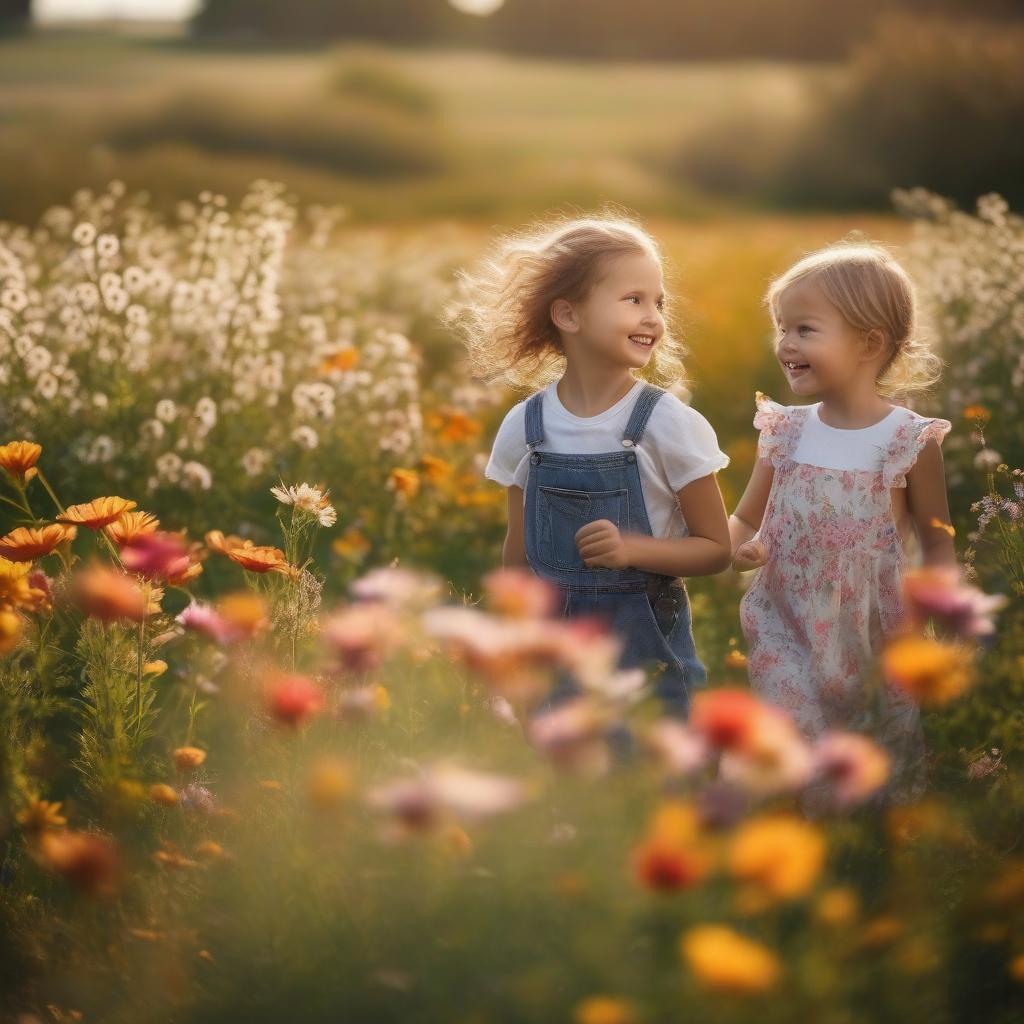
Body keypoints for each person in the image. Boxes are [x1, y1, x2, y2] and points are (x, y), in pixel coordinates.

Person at [449, 214, 732, 716]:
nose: (654, 318)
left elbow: (715, 550)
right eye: (634, 300)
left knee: (649, 780)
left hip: (646, 660)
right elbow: (518, 559)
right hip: (553, 658)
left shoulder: (668, 423)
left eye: (658, 302)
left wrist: (633, 549)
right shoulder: (525, 427)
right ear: (568, 315)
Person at [729, 240, 954, 799]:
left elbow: (937, 537)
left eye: (804, 329)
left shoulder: (908, 439)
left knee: (874, 746)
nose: (785, 344)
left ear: (868, 343)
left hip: (872, 627)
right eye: (782, 328)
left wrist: (947, 609)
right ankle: (796, 829)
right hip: (788, 617)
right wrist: (735, 548)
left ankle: (870, 849)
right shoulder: (786, 429)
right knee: (793, 723)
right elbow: (744, 519)